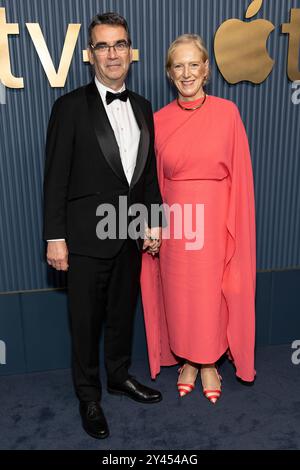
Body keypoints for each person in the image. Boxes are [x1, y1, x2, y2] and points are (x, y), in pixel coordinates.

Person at [43, 12, 163, 440]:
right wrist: (55, 237)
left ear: (130, 51)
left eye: (119, 45)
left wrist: (153, 223)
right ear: (89, 54)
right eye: (103, 46)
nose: (112, 54)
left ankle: (118, 377)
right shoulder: (70, 107)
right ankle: (89, 395)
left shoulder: (145, 106)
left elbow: (147, 176)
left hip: (128, 236)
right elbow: (55, 177)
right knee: (85, 321)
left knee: (120, 316)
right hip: (84, 240)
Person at [141, 34, 256, 404]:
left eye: (194, 64)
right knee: (178, 293)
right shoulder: (157, 120)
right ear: (169, 74)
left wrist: (236, 224)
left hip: (217, 219)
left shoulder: (228, 113)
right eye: (178, 66)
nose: (187, 73)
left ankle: (209, 363)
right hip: (176, 223)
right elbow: (150, 182)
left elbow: (240, 175)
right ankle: (187, 360)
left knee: (212, 293)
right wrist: (151, 223)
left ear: (206, 69)